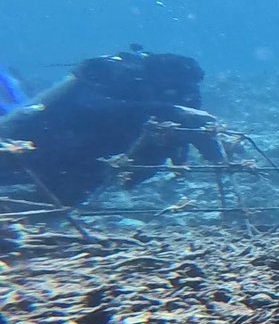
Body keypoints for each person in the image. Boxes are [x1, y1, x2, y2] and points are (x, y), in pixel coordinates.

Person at [0, 47, 223, 205]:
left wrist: (198, 151)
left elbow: (186, 130)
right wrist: (168, 110)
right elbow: (88, 106)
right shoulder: (119, 74)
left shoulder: (180, 92)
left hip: (91, 156)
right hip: (50, 138)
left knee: (61, 199)